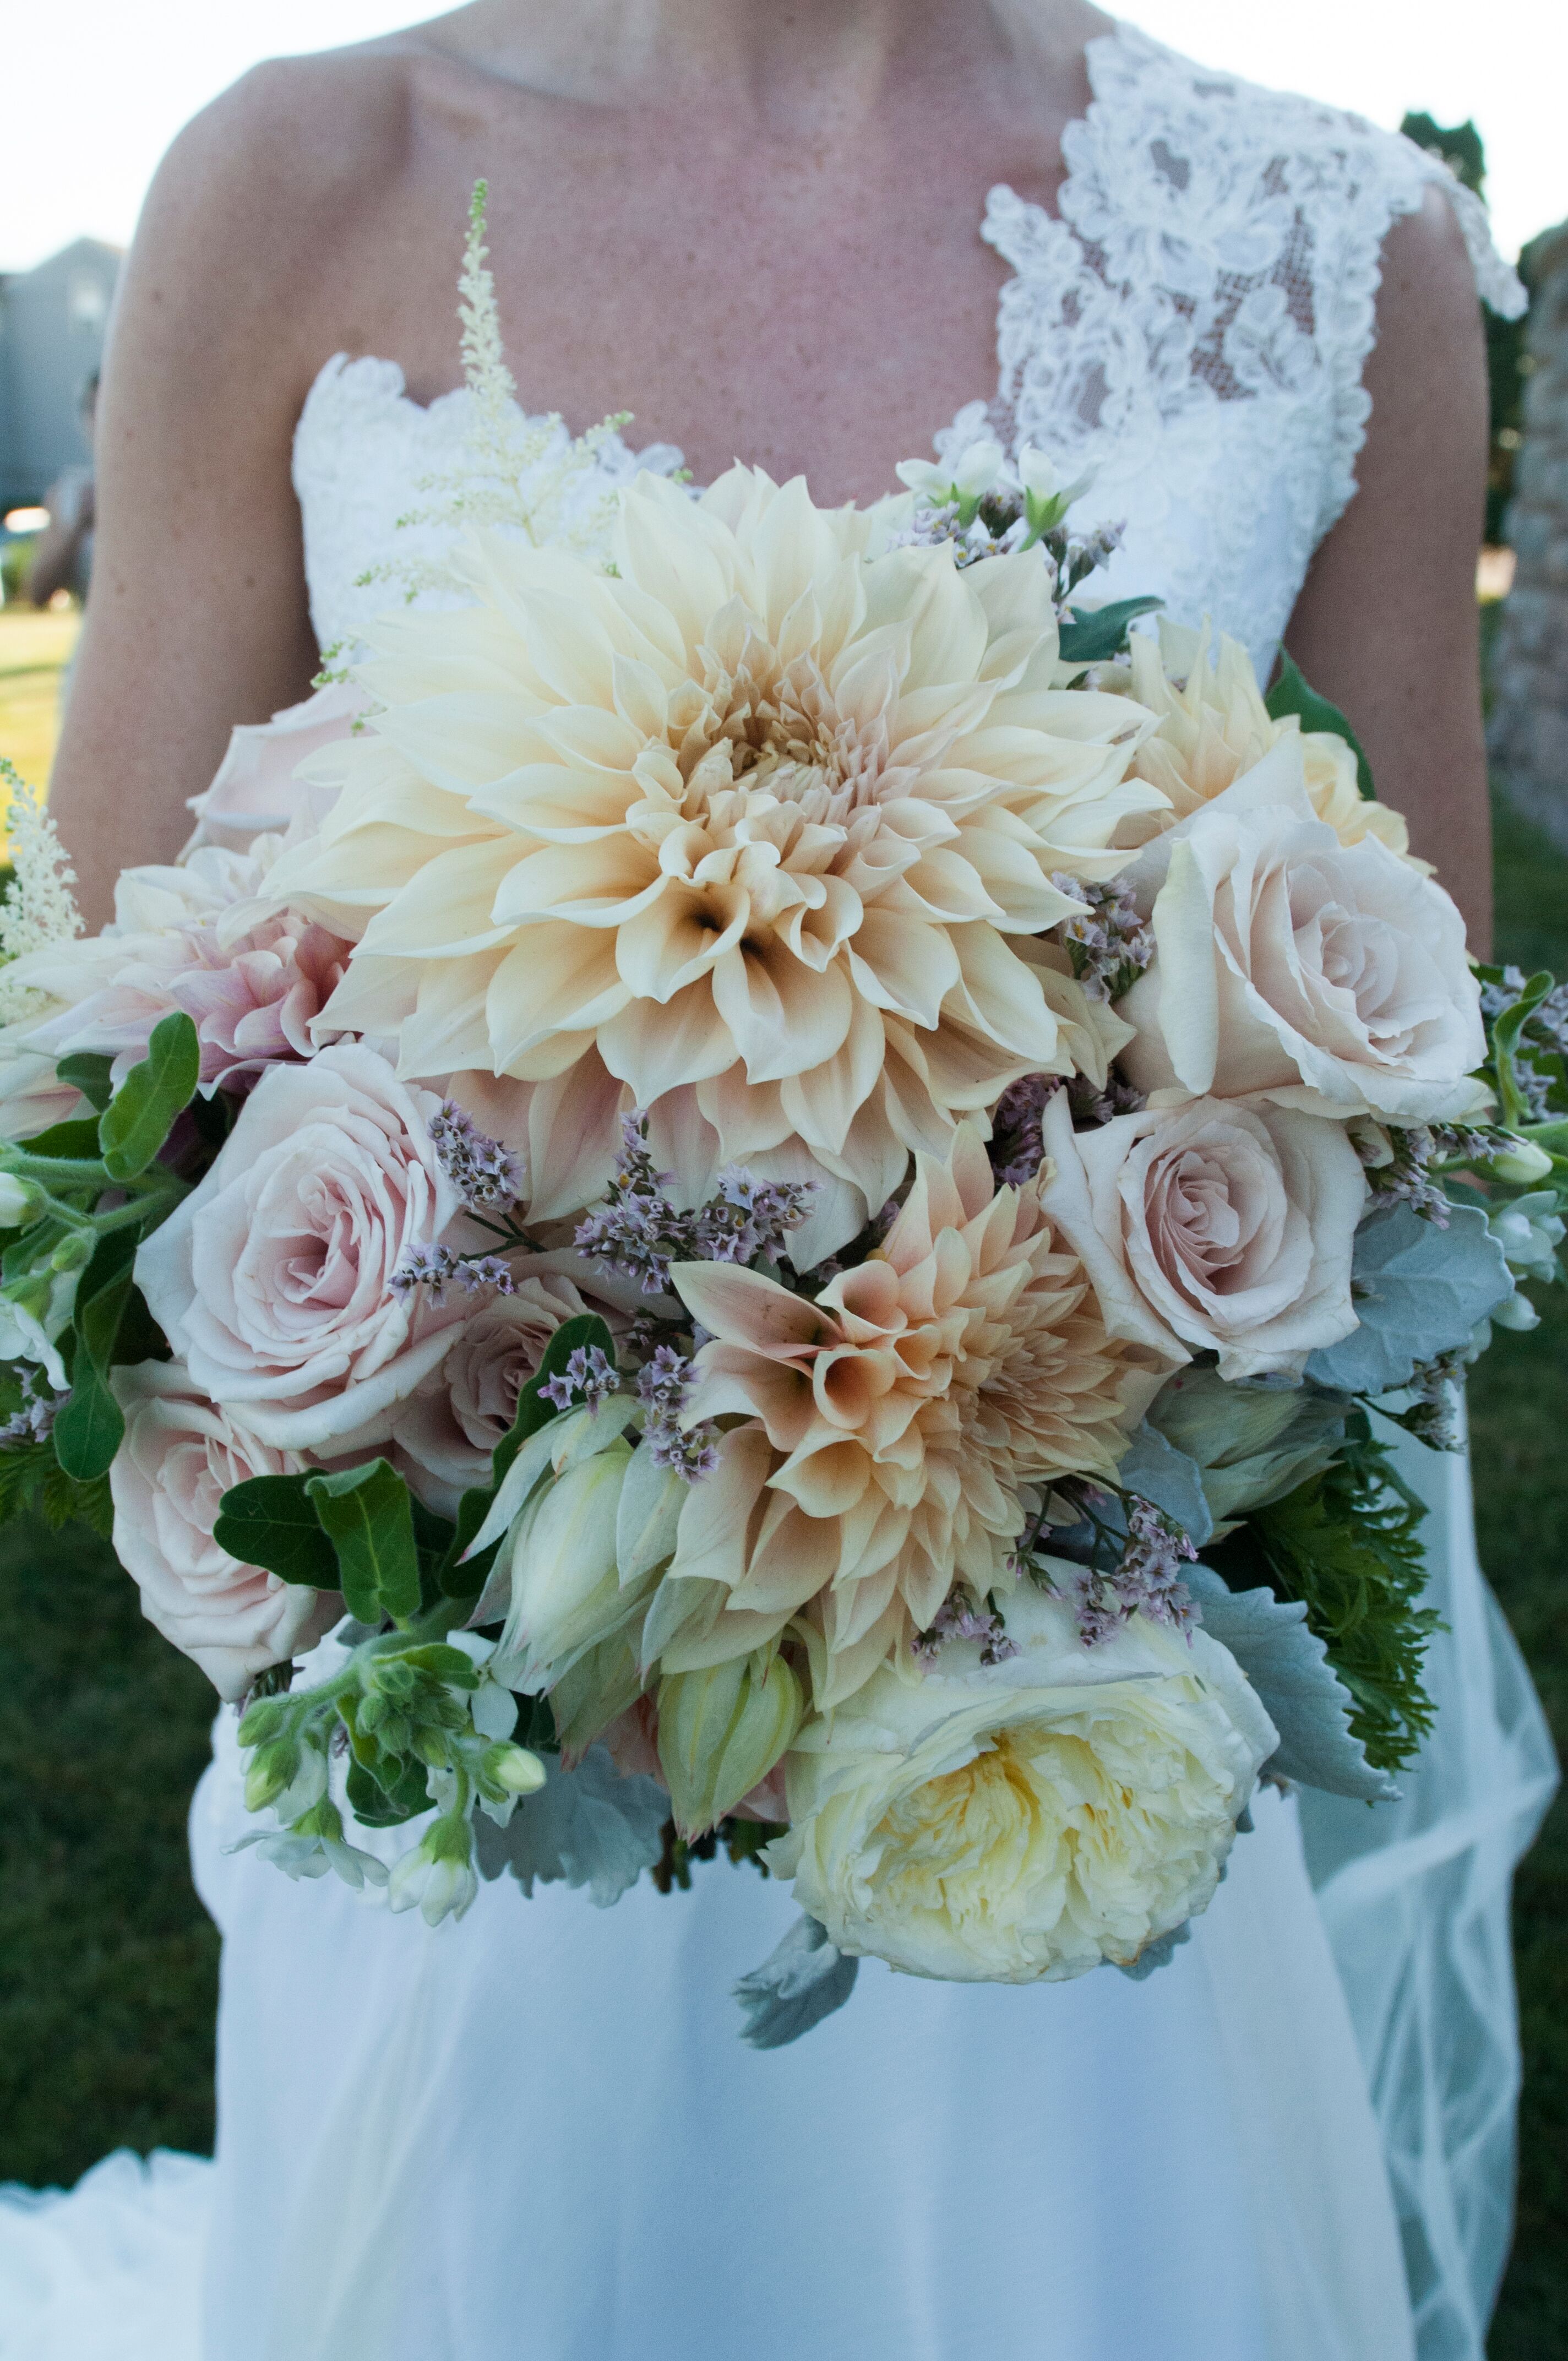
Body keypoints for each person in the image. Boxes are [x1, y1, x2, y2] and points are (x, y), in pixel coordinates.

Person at [13, 6, 1556, 2358]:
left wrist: (993, 1418)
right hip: (481, 1836)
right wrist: (471, 1435)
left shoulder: (1344, 243)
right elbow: (100, 1089)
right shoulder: (294, 180)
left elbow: (1400, 1123)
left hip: (1064, 1788)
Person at [28, 370, 99, 611]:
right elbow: (38, 593)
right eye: (91, 409)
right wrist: (78, 528)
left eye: (107, 407)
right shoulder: (69, 493)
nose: (100, 419)